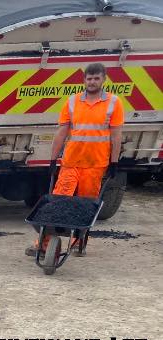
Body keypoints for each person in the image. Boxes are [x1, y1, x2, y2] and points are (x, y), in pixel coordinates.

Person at [26, 63, 123, 257]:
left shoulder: (114, 103)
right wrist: (53, 159)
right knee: (58, 201)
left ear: (104, 79)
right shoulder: (72, 102)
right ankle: (43, 243)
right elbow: (62, 132)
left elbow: (116, 135)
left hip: (95, 164)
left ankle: (79, 243)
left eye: (96, 78)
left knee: (86, 206)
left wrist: (114, 162)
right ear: (84, 80)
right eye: (89, 78)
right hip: (71, 162)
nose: (92, 82)